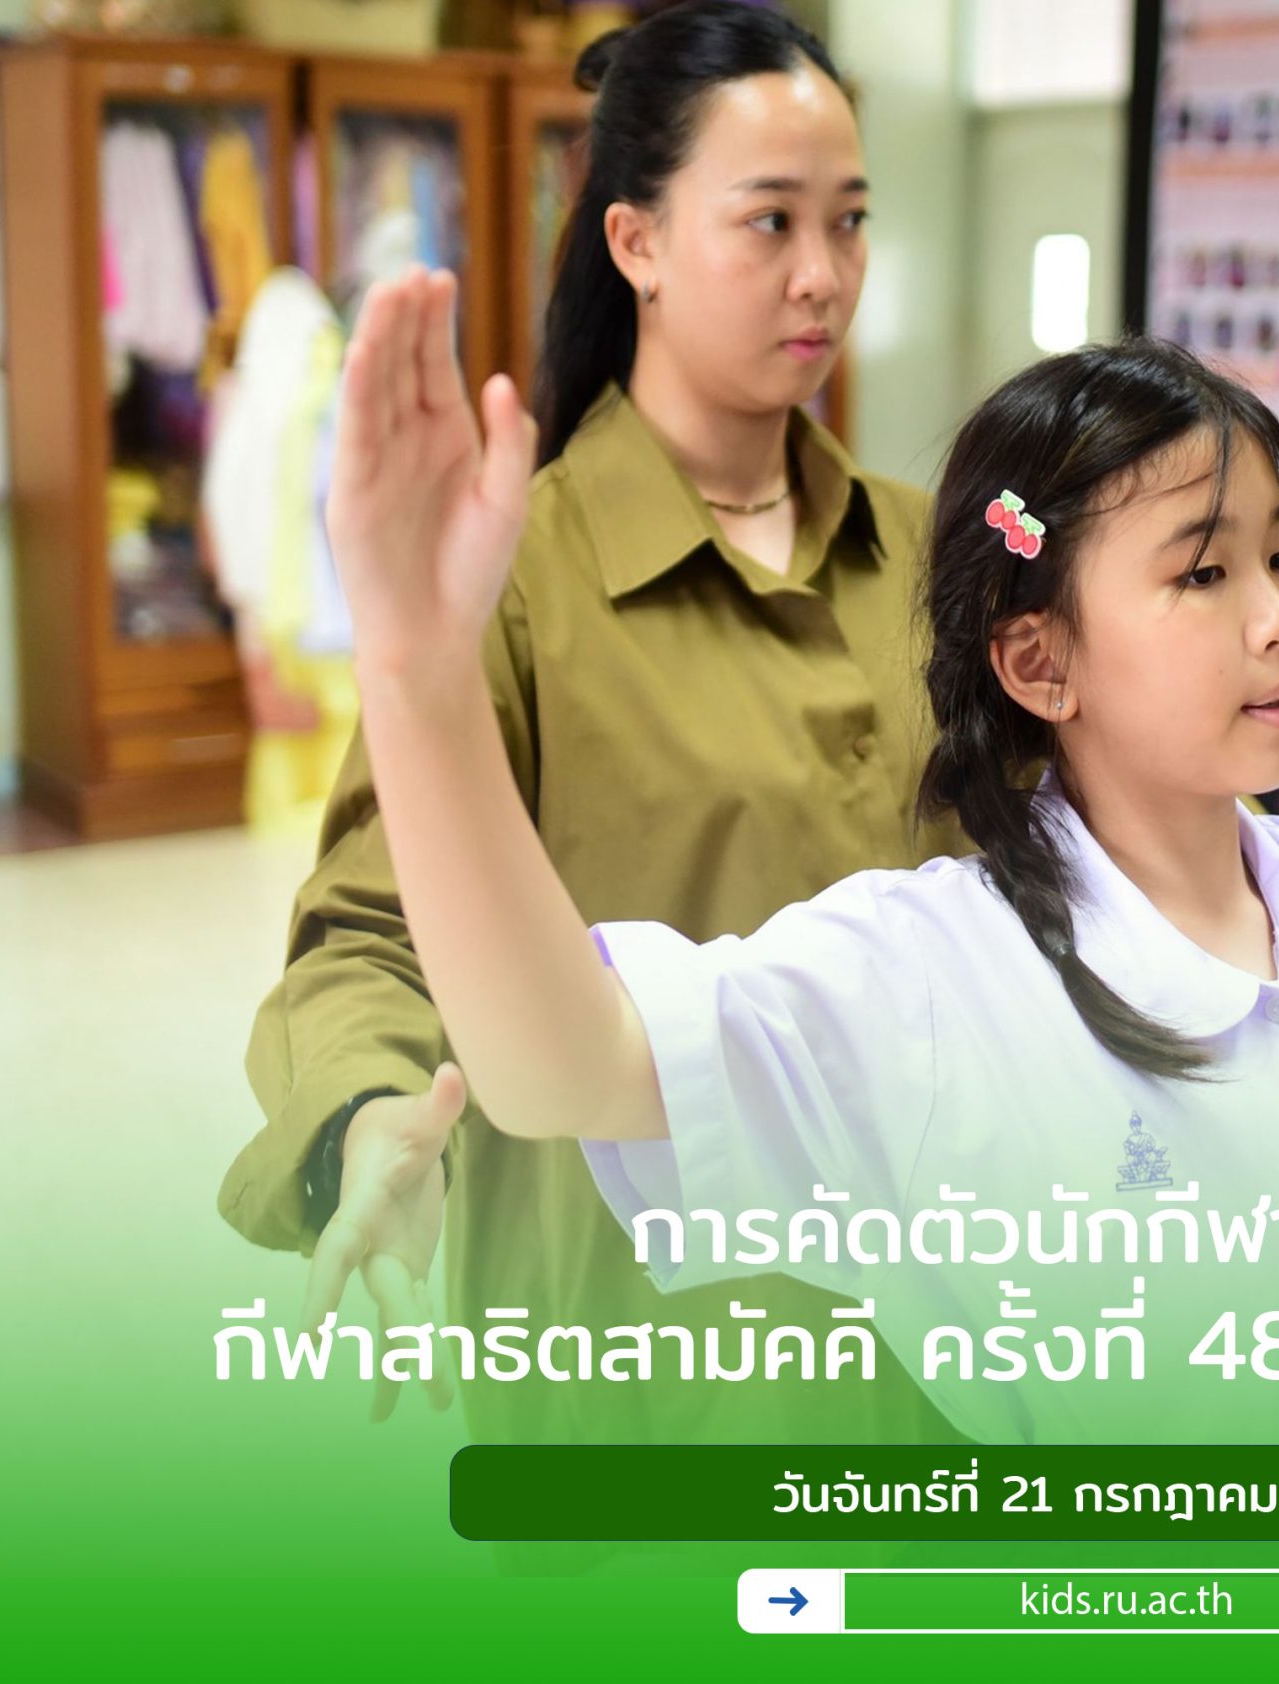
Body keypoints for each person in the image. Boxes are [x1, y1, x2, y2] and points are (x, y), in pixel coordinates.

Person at [318, 261, 1279, 1444]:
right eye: (1203, 575)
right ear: (1040, 661)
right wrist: (417, 673)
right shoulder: (933, 978)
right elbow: (565, 1065)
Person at [219, 1, 962, 1450]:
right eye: (770, 222)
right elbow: (371, 928)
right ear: (636, 242)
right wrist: (368, 1116)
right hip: (646, 1366)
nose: (824, 274)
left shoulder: (938, 550)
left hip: (931, 1355)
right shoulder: (513, 579)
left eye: (851, 220)